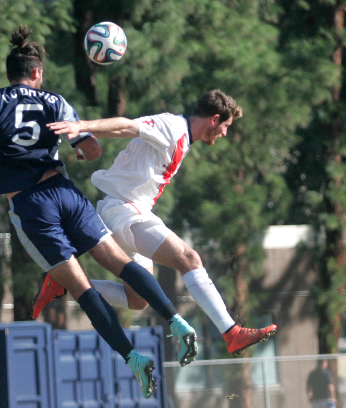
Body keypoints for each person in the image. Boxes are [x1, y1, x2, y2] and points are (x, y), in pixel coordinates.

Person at [0, 25, 198, 399]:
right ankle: (175, 319)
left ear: (11, 72)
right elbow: (92, 149)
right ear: (37, 73)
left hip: (31, 206)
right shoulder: (55, 102)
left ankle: (132, 359)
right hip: (66, 193)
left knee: (81, 288)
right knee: (119, 262)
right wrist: (80, 149)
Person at [35, 89, 277, 356]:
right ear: (214, 119)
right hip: (122, 209)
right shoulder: (172, 126)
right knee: (189, 258)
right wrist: (82, 127)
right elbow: (128, 126)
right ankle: (231, 332)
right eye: (226, 126)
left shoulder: (182, 138)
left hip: (131, 210)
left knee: (137, 300)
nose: (225, 134)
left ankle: (64, 281)